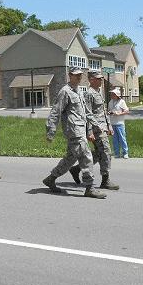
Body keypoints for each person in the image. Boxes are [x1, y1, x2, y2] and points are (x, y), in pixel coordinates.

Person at [42, 67, 106, 199]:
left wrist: (96, 124)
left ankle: (51, 178)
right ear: (69, 75)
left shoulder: (79, 91)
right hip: (74, 131)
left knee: (70, 159)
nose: (78, 77)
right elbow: (56, 112)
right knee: (86, 156)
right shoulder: (65, 91)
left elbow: (86, 112)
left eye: (80, 75)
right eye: (76, 75)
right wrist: (50, 132)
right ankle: (90, 187)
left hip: (80, 130)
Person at [69, 70, 119, 190]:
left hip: (102, 128)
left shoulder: (99, 92)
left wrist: (109, 127)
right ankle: (105, 180)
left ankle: (76, 169)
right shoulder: (89, 94)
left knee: (98, 154)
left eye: (101, 78)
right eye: (98, 78)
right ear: (91, 80)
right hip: (96, 129)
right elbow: (87, 114)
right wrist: (90, 132)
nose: (101, 80)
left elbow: (104, 112)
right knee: (106, 151)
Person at [108, 87, 130, 159]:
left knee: (122, 138)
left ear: (117, 95)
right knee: (115, 140)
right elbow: (109, 110)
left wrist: (119, 113)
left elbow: (127, 111)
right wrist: (109, 112)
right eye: (111, 94)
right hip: (113, 123)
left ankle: (125, 153)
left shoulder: (122, 102)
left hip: (120, 123)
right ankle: (117, 153)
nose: (111, 95)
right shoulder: (110, 102)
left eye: (113, 94)